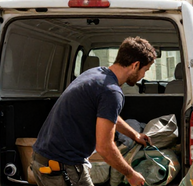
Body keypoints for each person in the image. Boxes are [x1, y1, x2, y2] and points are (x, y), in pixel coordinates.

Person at [31, 37, 157, 186]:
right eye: (145, 70)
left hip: (41, 160)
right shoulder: (111, 92)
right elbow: (104, 148)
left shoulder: (96, 74)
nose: (143, 76)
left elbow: (107, 115)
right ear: (135, 65)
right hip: (63, 168)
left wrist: (134, 135)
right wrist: (131, 174)